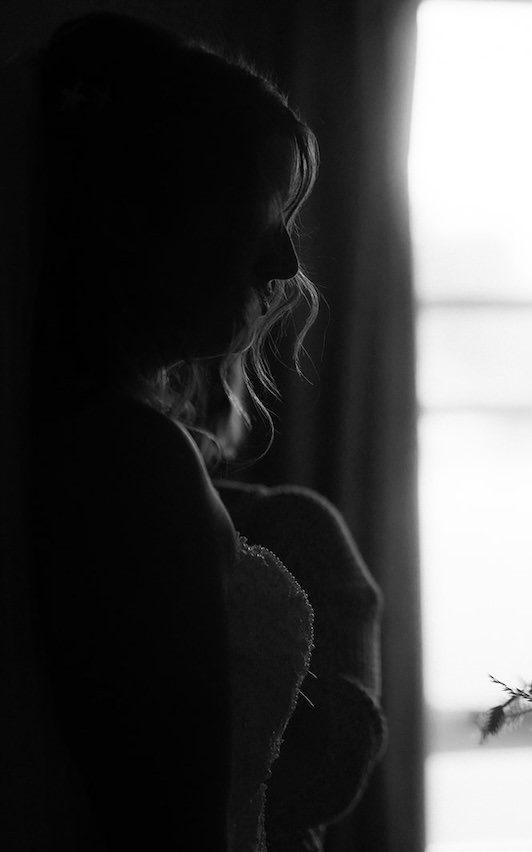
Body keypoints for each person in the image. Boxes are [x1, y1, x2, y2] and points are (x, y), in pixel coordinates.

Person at [9, 11, 328, 851]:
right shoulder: (131, 467)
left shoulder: (94, 441)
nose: (288, 264)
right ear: (149, 218)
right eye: (263, 212)